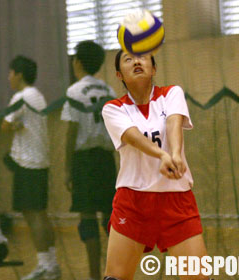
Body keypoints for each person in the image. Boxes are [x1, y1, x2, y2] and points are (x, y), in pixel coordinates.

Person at [101, 50, 209, 280]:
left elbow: (173, 122)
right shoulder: (113, 108)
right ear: (119, 75)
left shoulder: (172, 93)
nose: (137, 61)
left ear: (154, 68)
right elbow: (132, 136)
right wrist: (162, 155)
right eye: (128, 59)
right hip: (133, 201)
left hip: (176, 199)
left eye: (142, 57)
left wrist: (176, 154)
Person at [61, 40, 117, 280]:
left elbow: (71, 132)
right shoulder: (109, 91)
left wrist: (66, 169)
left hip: (83, 160)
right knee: (110, 217)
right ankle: (115, 271)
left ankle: (94, 274)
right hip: (106, 158)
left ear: (77, 62)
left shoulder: (73, 91)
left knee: (86, 217)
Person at [1, 55, 60, 280]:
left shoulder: (21, 96)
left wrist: (14, 125)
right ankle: (50, 264)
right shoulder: (38, 96)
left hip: (27, 164)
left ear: (19, 74)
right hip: (39, 162)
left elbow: (5, 125)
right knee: (39, 215)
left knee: (33, 216)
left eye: (10, 73)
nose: (9, 78)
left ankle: (47, 266)